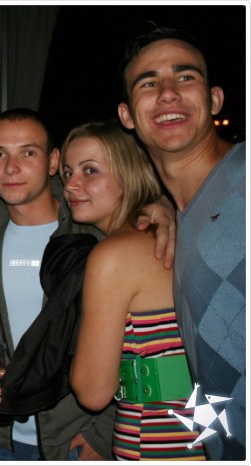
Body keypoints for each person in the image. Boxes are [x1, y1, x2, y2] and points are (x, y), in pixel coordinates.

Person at [117, 25, 246, 460]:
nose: (168, 93)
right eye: (148, 83)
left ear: (214, 99)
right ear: (127, 116)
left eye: (185, 76)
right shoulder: (180, 217)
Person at [0, 109, 116, 461]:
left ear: (52, 162)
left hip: (75, 440)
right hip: (3, 439)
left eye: (28, 152)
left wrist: (104, 433)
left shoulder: (93, 236)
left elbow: (134, 340)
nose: (11, 168)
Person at [66, 120, 206, 460]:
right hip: (207, 428)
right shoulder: (177, 230)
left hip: (156, 438)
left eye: (90, 170)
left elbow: (92, 392)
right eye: (67, 172)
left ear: (129, 173)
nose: (70, 185)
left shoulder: (113, 255)